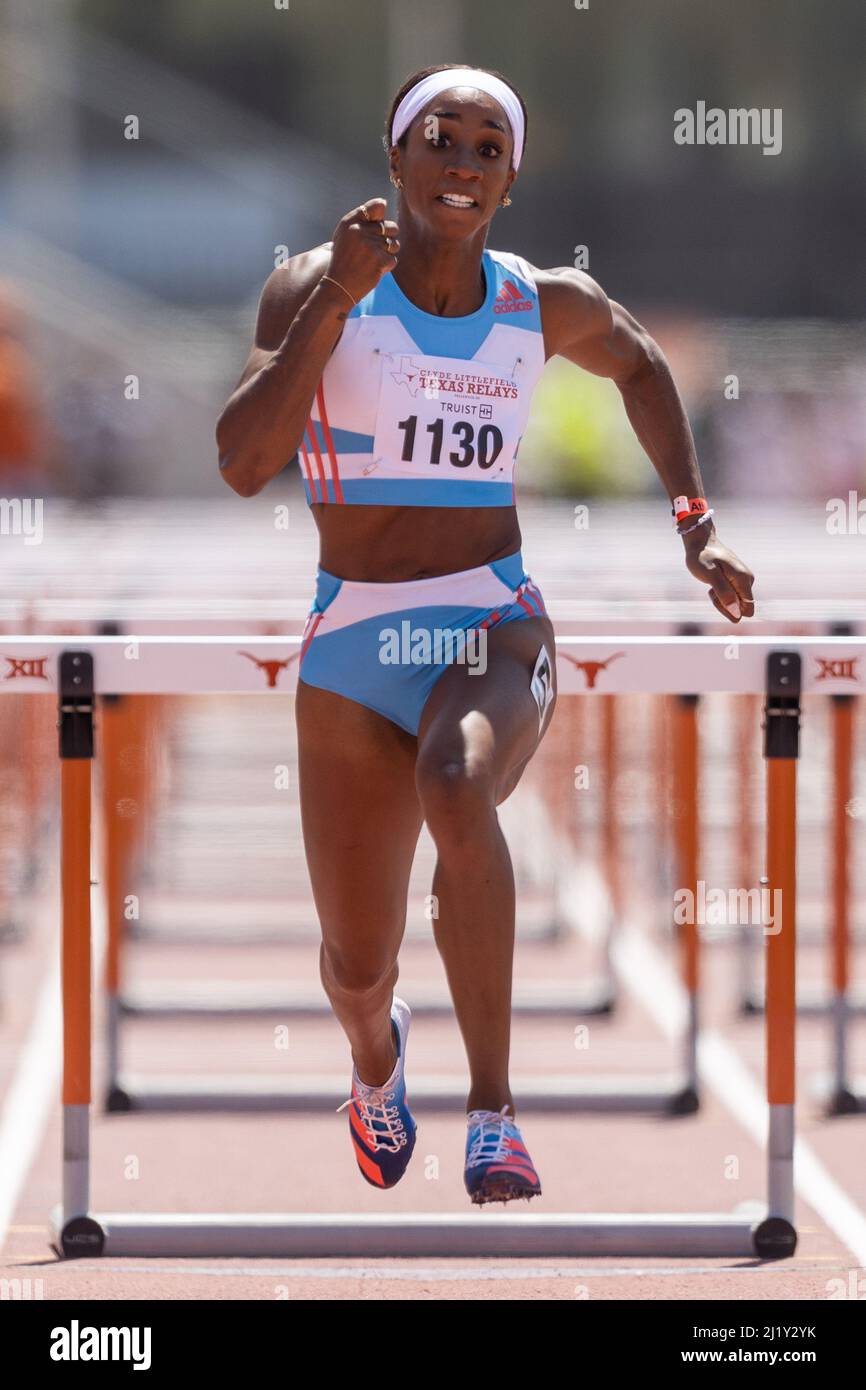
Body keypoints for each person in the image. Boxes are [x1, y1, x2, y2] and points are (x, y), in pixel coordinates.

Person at [216, 63, 755, 1206]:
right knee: (356, 971)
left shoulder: (539, 301)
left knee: (458, 784)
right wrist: (332, 304)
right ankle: (376, 1061)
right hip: (353, 636)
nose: (461, 167)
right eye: (440, 142)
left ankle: (494, 1112)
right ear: (395, 156)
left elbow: (643, 363)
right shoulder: (312, 285)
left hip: (490, 621)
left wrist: (694, 528)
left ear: (507, 182)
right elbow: (241, 462)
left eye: (485, 151)